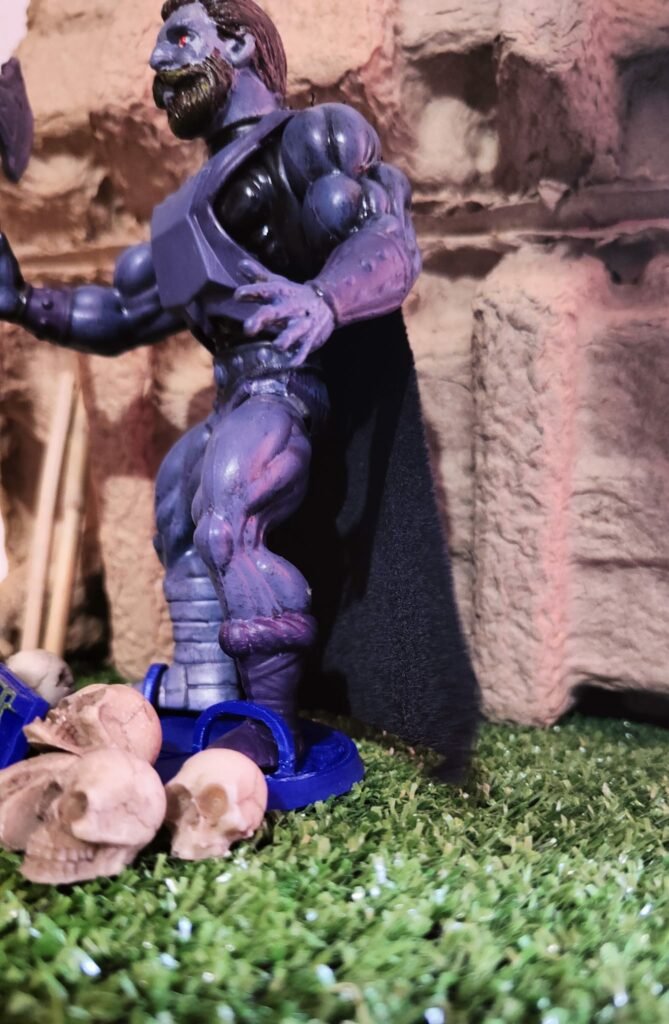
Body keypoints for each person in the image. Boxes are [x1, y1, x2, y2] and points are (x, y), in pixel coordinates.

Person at [0, 0, 479, 777]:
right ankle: (207, 691)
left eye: (180, 36)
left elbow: (388, 241)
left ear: (240, 43)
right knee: (178, 510)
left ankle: (267, 727)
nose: (159, 61)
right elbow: (125, 312)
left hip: (289, 384)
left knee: (228, 513)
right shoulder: (183, 214)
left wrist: (324, 299)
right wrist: (26, 302)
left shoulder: (312, 140)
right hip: (235, 397)